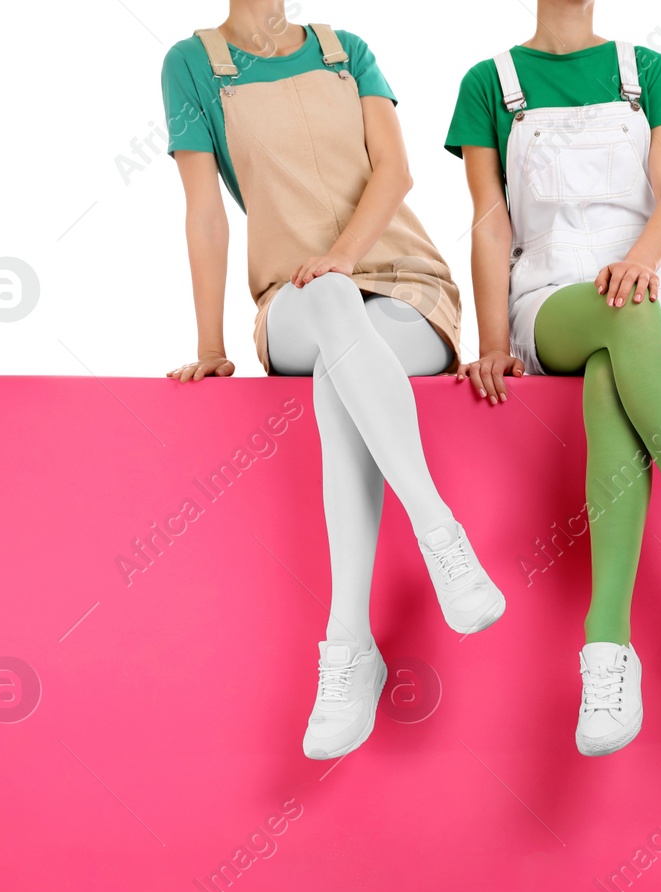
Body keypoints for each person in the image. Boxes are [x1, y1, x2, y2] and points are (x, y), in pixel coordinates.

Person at [447, 0, 661, 757]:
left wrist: (640, 261)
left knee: (618, 359)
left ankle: (607, 645)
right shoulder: (488, 82)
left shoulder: (649, 71)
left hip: (659, 281)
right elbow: (490, 219)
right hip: (551, 294)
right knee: (615, 322)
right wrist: (495, 340)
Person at [161, 3, 503, 761]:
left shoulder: (346, 50)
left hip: (406, 287)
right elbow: (205, 213)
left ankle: (348, 642)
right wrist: (211, 343)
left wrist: (345, 257)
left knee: (336, 371)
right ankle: (437, 529)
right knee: (329, 306)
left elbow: (397, 171)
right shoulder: (193, 64)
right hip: (291, 300)